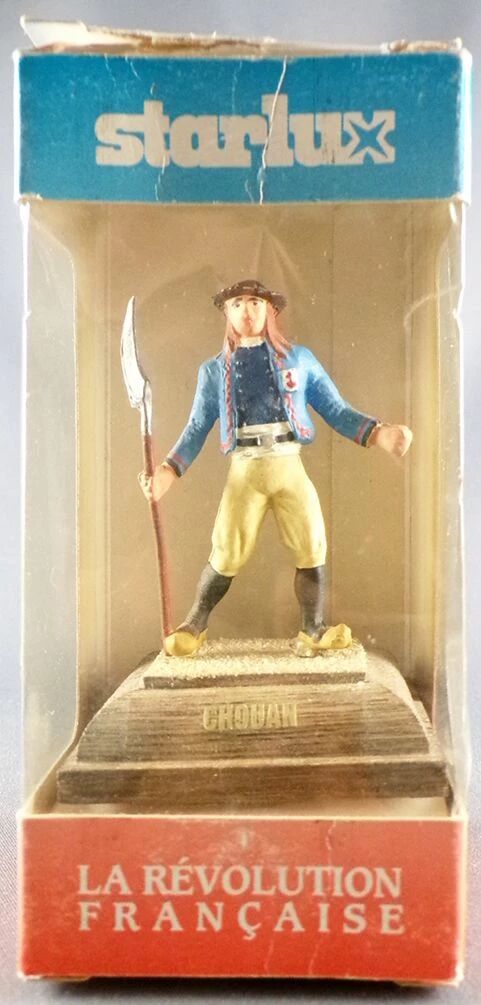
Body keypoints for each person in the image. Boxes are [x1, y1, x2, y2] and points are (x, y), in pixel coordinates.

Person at [139, 279, 412, 657]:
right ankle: (194, 625)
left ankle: (313, 629)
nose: (246, 310)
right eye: (237, 303)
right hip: (245, 471)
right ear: (227, 312)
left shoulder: (300, 360)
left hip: (288, 465)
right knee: (226, 551)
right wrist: (167, 472)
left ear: (270, 309)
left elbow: (336, 409)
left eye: (255, 302)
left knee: (312, 543)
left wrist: (379, 433)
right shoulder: (214, 371)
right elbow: (196, 428)